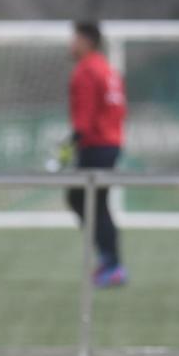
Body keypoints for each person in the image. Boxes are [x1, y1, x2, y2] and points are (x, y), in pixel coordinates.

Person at [66, 21, 127, 288]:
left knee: (84, 201)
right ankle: (110, 260)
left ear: (87, 41)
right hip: (110, 143)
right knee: (95, 202)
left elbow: (85, 118)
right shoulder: (107, 68)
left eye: (75, 39)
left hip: (96, 144)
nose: (71, 44)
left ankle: (111, 263)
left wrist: (67, 147)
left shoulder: (87, 71)